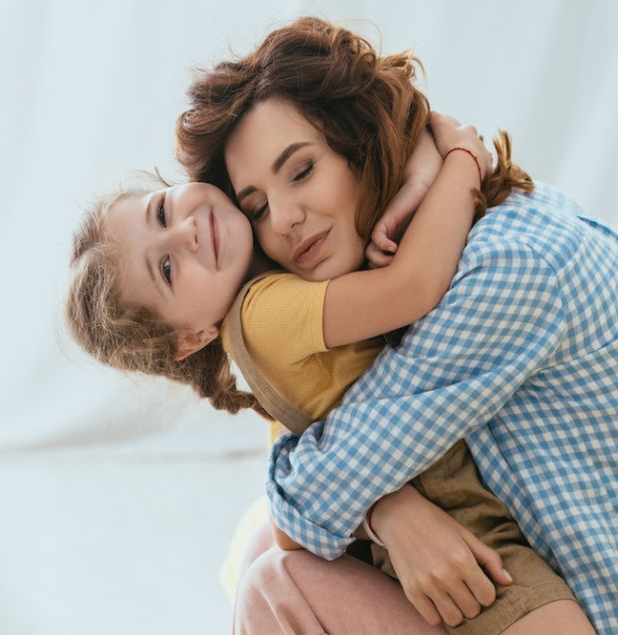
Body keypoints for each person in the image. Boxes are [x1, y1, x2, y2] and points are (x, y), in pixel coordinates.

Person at [175, 16, 618, 634]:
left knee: (276, 578)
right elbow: (323, 424)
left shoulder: (506, 267)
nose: (287, 218)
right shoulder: (417, 249)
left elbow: (307, 498)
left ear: (359, 141)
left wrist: (380, 508)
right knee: (258, 556)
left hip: (588, 608)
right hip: (522, 569)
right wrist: (444, 153)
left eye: (301, 171)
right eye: (257, 207)